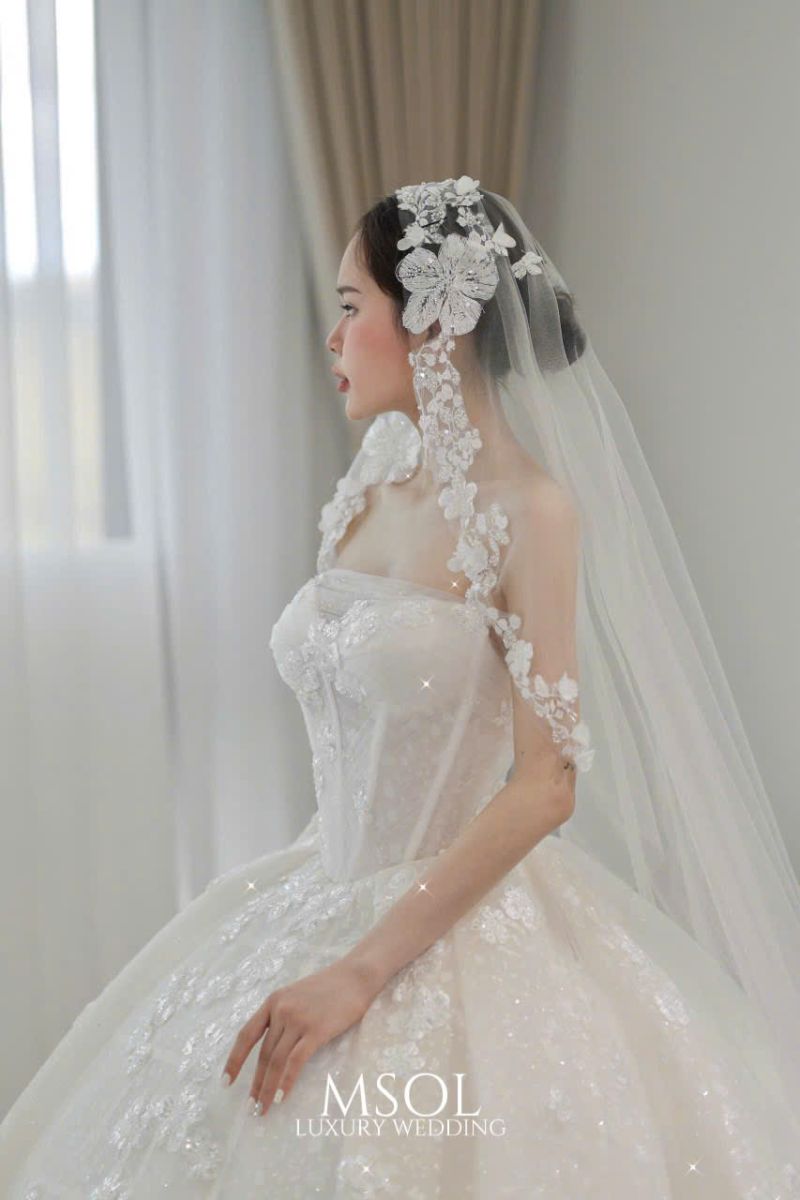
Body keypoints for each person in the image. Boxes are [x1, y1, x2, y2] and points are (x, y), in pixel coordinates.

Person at [1, 176, 799, 1198]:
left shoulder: (530, 511)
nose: (331, 338)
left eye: (350, 308)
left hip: (456, 932)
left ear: (433, 319)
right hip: (311, 887)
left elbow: (547, 781)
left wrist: (364, 968)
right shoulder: (367, 491)